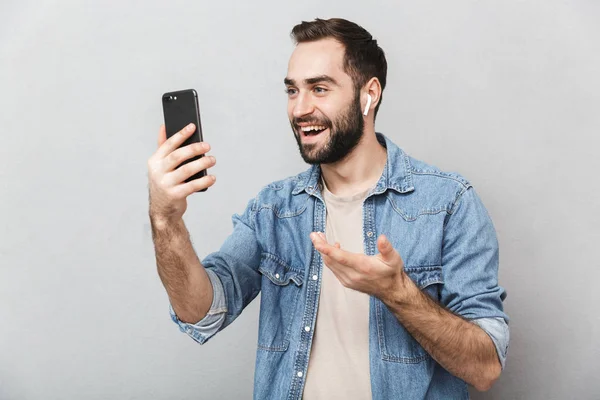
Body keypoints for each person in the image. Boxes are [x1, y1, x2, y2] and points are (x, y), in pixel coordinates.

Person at [147, 17, 509, 400]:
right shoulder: (274, 209)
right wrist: (165, 218)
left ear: (369, 94)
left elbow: (484, 368)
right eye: (292, 90)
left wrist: (398, 292)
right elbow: (202, 313)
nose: (300, 109)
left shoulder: (448, 203)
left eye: (319, 88)